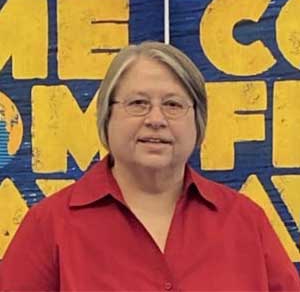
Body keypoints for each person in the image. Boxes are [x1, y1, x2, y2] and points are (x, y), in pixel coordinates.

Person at [1, 41, 299, 291]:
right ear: (106, 117)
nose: (156, 120)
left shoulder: (245, 221)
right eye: (138, 103)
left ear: (198, 123)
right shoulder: (50, 226)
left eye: (173, 105)